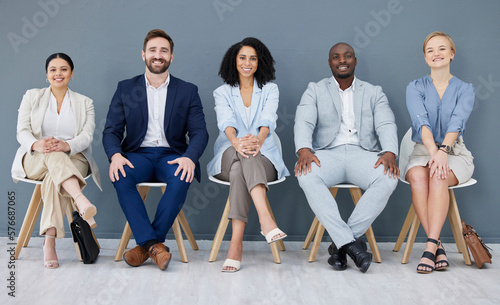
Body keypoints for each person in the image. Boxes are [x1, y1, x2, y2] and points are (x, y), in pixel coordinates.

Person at [102, 29, 209, 271]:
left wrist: (190, 158)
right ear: (143, 55)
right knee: (120, 174)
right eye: (152, 50)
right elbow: (111, 131)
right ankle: (155, 246)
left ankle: (144, 247)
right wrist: (116, 155)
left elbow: (200, 132)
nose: (157, 55)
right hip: (138, 155)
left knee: (182, 175)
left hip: (172, 156)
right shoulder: (125, 88)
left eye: (163, 51)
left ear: (172, 56)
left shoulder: (187, 90)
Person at [294, 43, 399, 273]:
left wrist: (390, 151)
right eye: (336, 57)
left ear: (355, 61)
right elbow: (304, 120)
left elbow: (385, 123)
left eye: (347, 56)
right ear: (330, 62)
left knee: (389, 177)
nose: (342, 60)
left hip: (363, 153)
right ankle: (352, 244)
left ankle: (341, 246)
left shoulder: (374, 92)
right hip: (327, 153)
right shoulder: (315, 89)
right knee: (306, 175)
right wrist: (303, 149)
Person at [12, 53, 102, 269]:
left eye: (63, 69)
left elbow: (87, 136)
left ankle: (49, 241)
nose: (58, 73)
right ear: (46, 74)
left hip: (74, 158)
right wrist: (37, 145)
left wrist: (66, 146)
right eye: (53, 69)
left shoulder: (85, 102)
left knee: (55, 172)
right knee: (53, 155)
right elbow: (22, 131)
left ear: (71, 73)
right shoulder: (31, 96)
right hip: (35, 158)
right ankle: (80, 199)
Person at [207, 37, 289, 272]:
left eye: (253, 58)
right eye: (242, 57)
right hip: (228, 152)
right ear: (234, 61)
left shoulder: (270, 89)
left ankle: (235, 246)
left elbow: (268, 119)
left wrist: (259, 141)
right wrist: (236, 143)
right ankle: (266, 220)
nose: (247, 62)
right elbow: (226, 121)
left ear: (259, 62)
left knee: (240, 168)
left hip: (264, 156)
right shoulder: (222, 92)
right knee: (242, 156)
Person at [405, 31, 475, 274]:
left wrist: (443, 151)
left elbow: (457, 122)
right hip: (423, 150)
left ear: (452, 54)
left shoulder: (466, 89)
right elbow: (421, 123)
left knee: (438, 175)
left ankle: (429, 246)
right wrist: (435, 152)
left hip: (455, 153)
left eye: (442, 49)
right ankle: (438, 246)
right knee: (416, 175)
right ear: (425, 58)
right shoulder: (415, 87)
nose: (436, 54)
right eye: (430, 50)